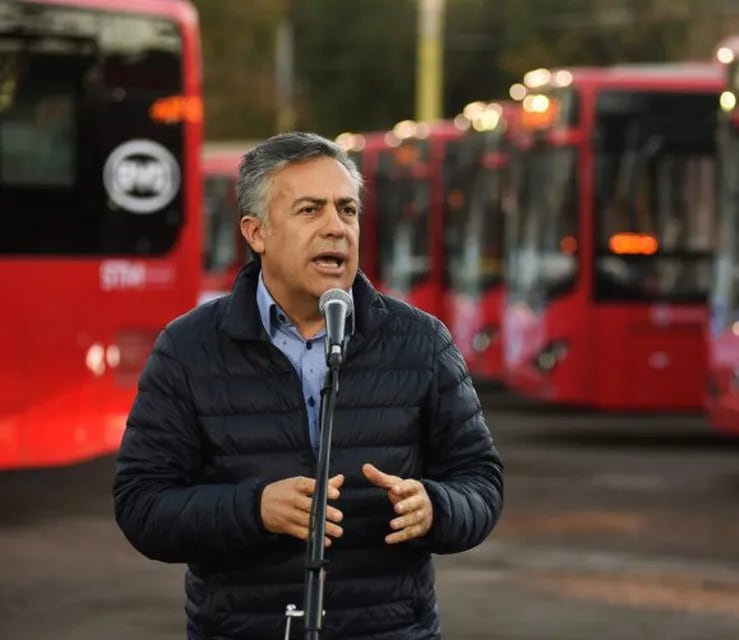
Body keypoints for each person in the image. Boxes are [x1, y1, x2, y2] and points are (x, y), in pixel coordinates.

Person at [113, 131, 504, 639]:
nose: (336, 228)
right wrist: (254, 509)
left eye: (347, 210)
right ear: (257, 233)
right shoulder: (188, 350)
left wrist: (437, 507)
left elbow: (481, 480)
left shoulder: (421, 342)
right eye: (310, 210)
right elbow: (143, 504)